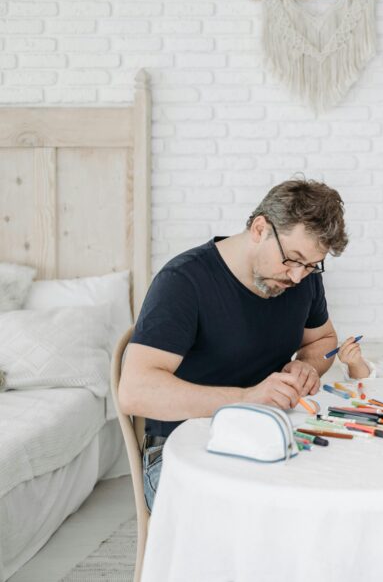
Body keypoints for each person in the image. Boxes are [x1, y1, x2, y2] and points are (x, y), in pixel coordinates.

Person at [118, 177, 349, 508]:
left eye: (311, 266)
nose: (297, 277)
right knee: (268, 517)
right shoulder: (183, 282)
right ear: (259, 229)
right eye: (293, 259)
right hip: (182, 451)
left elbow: (325, 341)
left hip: (266, 436)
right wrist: (246, 398)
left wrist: (307, 366)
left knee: (330, 497)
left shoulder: (303, 281)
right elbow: (134, 392)